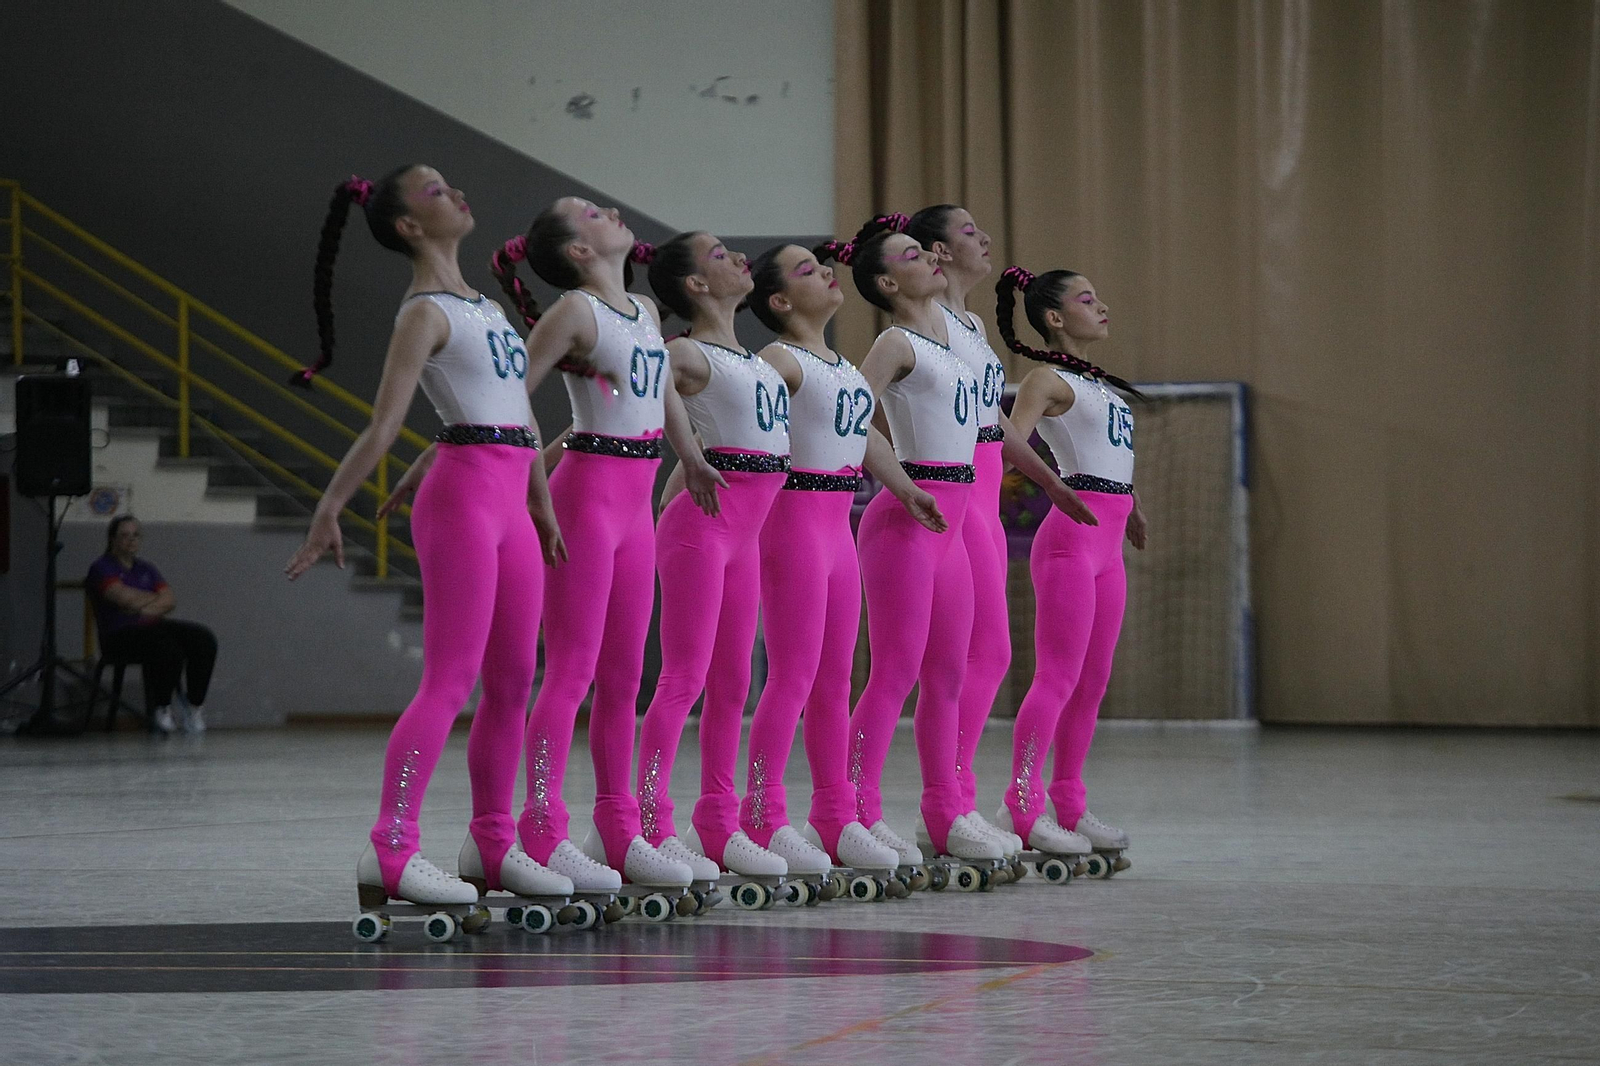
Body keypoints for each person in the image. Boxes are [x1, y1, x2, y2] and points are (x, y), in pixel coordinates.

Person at [283, 166, 572, 912]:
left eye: (453, 184)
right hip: (464, 498)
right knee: (451, 681)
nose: (459, 193)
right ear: (408, 227)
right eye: (437, 191)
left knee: (514, 684)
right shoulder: (424, 312)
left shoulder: (486, 307)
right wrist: (331, 508)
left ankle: (494, 842)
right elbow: (385, 426)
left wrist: (541, 505)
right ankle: (392, 848)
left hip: (512, 497)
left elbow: (523, 415)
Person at [477, 198, 723, 894]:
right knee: (572, 672)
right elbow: (508, 395)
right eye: (591, 213)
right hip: (586, 496)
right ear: (579, 251)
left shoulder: (643, 311)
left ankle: (619, 828)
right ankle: (542, 830)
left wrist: (692, 455)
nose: (608, 211)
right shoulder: (574, 313)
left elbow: (662, 397)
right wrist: (533, 485)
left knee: (623, 679)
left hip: (638, 503)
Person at [736, 242, 947, 882]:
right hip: (795, 523)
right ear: (778, 302)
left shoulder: (842, 368)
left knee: (834, 681)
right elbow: (737, 431)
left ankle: (834, 815)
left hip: (838, 529)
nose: (826, 274)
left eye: (822, 266)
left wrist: (904, 485)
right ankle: (761, 815)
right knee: (794, 677)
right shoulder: (778, 359)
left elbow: (863, 435)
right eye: (806, 271)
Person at [904, 203, 1098, 860]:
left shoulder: (972, 325)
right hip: (949, 496)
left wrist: (1048, 481)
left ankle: (963, 798)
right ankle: (942, 805)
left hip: (985, 497)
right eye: (966, 231)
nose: (983, 237)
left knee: (991, 657)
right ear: (934, 252)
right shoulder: (928, 318)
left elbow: (994, 420)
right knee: (945, 664)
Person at [632, 231, 794, 883]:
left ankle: (719, 823)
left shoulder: (755, 361)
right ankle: (649, 821)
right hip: (702, 534)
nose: (736, 258)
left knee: (734, 687)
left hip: (743, 539)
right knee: (683, 680)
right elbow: (646, 387)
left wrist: (691, 460)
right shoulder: (686, 352)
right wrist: (689, 457)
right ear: (696, 286)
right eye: (720, 255)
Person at [994, 264, 1147, 864]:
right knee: (1057, 676)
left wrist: (1131, 505)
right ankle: (1024, 805)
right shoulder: (1047, 379)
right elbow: (1006, 435)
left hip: (1107, 546)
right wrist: (1054, 486)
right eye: (1088, 299)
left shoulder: (1102, 387)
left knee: (1092, 680)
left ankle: (1070, 803)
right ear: (1055, 317)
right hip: (1070, 542)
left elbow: (1112, 458)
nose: (1101, 306)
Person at [87, 515, 217, 734]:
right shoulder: (102, 567)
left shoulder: (146, 568)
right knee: (166, 647)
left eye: (136, 535)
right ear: (112, 539)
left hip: (152, 626)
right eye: (124, 536)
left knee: (202, 639)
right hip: (119, 634)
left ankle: (193, 707)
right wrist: (151, 600)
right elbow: (121, 597)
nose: (131, 540)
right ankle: (162, 708)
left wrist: (141, 607)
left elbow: (170, 600)